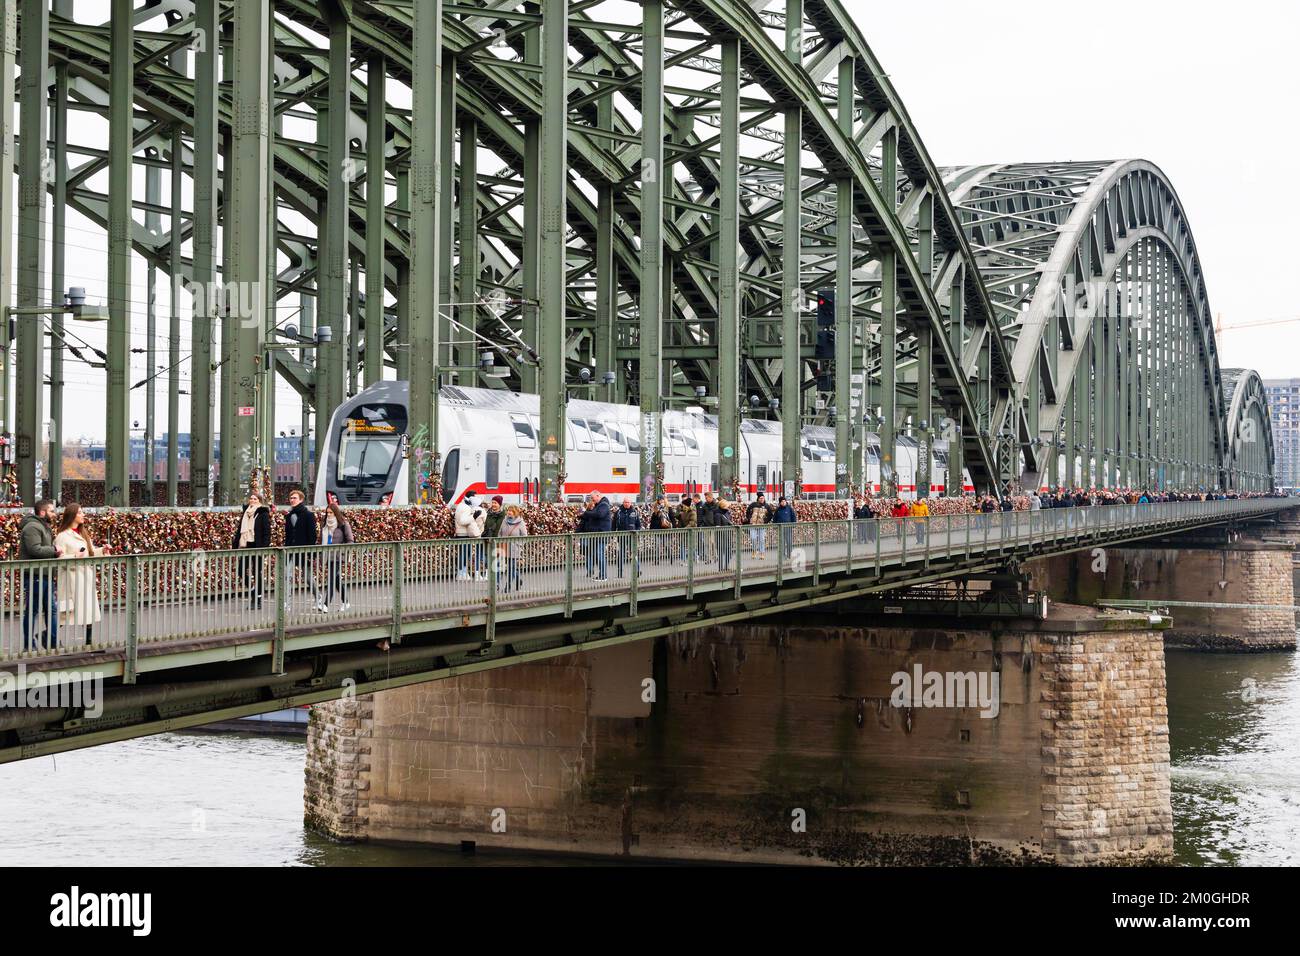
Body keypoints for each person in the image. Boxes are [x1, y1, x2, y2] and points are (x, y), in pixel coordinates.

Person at [54, 503, 103, 646]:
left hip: (85, 577)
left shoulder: (82, 533)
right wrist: (75, 556)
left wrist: (103, 551)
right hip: (72, 579)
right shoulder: (62, 536)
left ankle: (89, 642)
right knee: (68, 612)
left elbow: (91, 552)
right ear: (72, 515)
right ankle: (48, 635)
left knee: (88, 609)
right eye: (80, 512)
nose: (83, 515)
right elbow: (59, 559)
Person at [18, 498, 61, 650]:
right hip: (35, 575)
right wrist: (54, 551)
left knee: (51, 609)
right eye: (51, 511)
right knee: (33, 610)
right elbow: (34, 549)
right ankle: (29, 645)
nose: (54, 514)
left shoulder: (43, 526)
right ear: (42, 512)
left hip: (45, 573)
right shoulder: (33, 527)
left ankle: (53, 642)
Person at [232, 492, 272, 609]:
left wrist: (264, 547)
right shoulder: (246, 513)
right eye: (251, 498)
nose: (252, 500)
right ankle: (253, 589)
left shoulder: (262, 513)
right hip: (246, 545)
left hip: (257, 545)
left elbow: (266, 532)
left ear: (259, 501)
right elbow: (240, 530)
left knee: (257, 573)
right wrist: (235, 545)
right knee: (240, 571)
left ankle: (257, 600)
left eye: (255, 499)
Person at [284, 487, 319, 611]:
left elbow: (312, 535)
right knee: (287, 575)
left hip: (304, 551)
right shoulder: (289, 516)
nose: (292, 500)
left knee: (308, 577)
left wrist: (310, 552)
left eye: (295, 498)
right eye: (291, 498)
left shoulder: (308, 515)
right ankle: (286, 603)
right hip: (290, 550)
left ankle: (318, 597)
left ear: (301, 499)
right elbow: (288, 534)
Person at [317, 502, 353, 612]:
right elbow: (320, 539)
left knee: (331, 579)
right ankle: (345, 602)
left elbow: (350, 540)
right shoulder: (324, 524)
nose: (329, 515)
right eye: (327, 513)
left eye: (331, 513)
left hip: (337, 556)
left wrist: (344, 553)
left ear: (335, 513)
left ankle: (326, 604)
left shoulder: (343, 524)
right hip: (327, 555)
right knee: (336, 579)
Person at [577, 490, 612, 580]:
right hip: (598, 534)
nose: (592, 500)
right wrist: (582, 516)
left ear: (598, 495)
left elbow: (599, 514)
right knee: (597, 554)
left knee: (600, 555)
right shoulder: (599, 505)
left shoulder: (604, 504)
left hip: (601, 534)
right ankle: (601, 575)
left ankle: (603, 576)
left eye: (593, 498)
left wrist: (585, 513)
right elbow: (593, 516)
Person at [454, 491, 486, 581]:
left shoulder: (462, 505)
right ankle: (462, 573)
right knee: (464, 554)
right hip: (463, 533)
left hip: (462, 533)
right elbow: (462, 521)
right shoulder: (465, 507)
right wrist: (474, 517)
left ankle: (463, 572)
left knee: (465, 553)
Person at [497, 505, 529, 592]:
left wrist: (519, 545)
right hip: (504, 547)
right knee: (505, 567)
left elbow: (525, 536)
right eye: (508, 511)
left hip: (515, 548)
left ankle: (508, 586)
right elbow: (500, 533)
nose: (509, 512)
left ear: (516, 513)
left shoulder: (520, 522)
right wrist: (499, 542)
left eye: (511, 511)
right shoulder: (504, 521)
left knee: (511, 567)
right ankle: (519, 580)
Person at [612, 496, 642, 578]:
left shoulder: (635, 512)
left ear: (630, 503)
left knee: (634, 555)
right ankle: (620, 573)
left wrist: (637, 532)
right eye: (625, 502)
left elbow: (638, 525)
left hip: (632, 537)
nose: (627, 504)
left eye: (628, 502)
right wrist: (611, 535)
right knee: (621, 555)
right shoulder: (618, 512)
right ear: (623, 502)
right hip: (621, 537)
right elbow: (613, 525)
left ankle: (637, 570)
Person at [746, 493, 774, 558]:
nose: (762, 499)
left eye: (763, 498)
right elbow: (747, 511)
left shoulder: (767, 506)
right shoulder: (753, 504)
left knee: (761, 539)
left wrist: (765, 521)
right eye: (761, 498)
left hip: (761, 525)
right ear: (758, 498)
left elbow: (770, 515)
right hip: (753, 524)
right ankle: (754, 551)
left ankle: (762, 553)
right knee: (753, 538)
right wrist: (749, 518)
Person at [648, 496, 675, 564]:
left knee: (667, 545)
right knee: (657, 546)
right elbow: (653, 520)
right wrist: (651, 529)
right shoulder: (655, 509)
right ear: (658, 501)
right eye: (660, 500)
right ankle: (656, 560)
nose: (661, 501)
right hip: (658, 530)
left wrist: (673, 528)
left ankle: (671, 558)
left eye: (662, 500)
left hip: (667, 530)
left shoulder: (668, 508)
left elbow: (672, 518)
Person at [714, 498, 734, 570]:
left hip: (728, 535)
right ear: (723, 506)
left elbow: (728, 521)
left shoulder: (727, 513)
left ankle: (726, 567)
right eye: (727, 506)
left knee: (728, 551)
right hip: (721, 536)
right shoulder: (717, 514)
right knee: (720, 552)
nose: (728, 507)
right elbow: (718, 526)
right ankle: (720, 568)